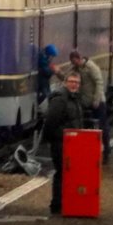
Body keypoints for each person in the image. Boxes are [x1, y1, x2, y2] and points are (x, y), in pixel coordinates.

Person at [42, 71, 85, 214]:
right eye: (72, 81)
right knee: (61, 172)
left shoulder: (74, 98)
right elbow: (51, 121)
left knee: (67, 173)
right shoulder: (60, 99)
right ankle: (56, 204)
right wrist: (51, 138)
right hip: (61, 142)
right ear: (66, 82)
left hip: (72, 142)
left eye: (77, 82)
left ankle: (64, 202)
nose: (74, 85)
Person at [56, 50, 109, 163]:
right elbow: (67, 78)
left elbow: (99, 82)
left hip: (98, 102)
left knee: (102, 127)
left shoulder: (91, 67)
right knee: (84, 126)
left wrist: (96, 99)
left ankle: (106, 152)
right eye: (72, 62)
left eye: (75, 62)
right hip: (85, 101)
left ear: (79, 59)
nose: (74, 64)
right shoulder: (75, 68)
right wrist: (58, 73)